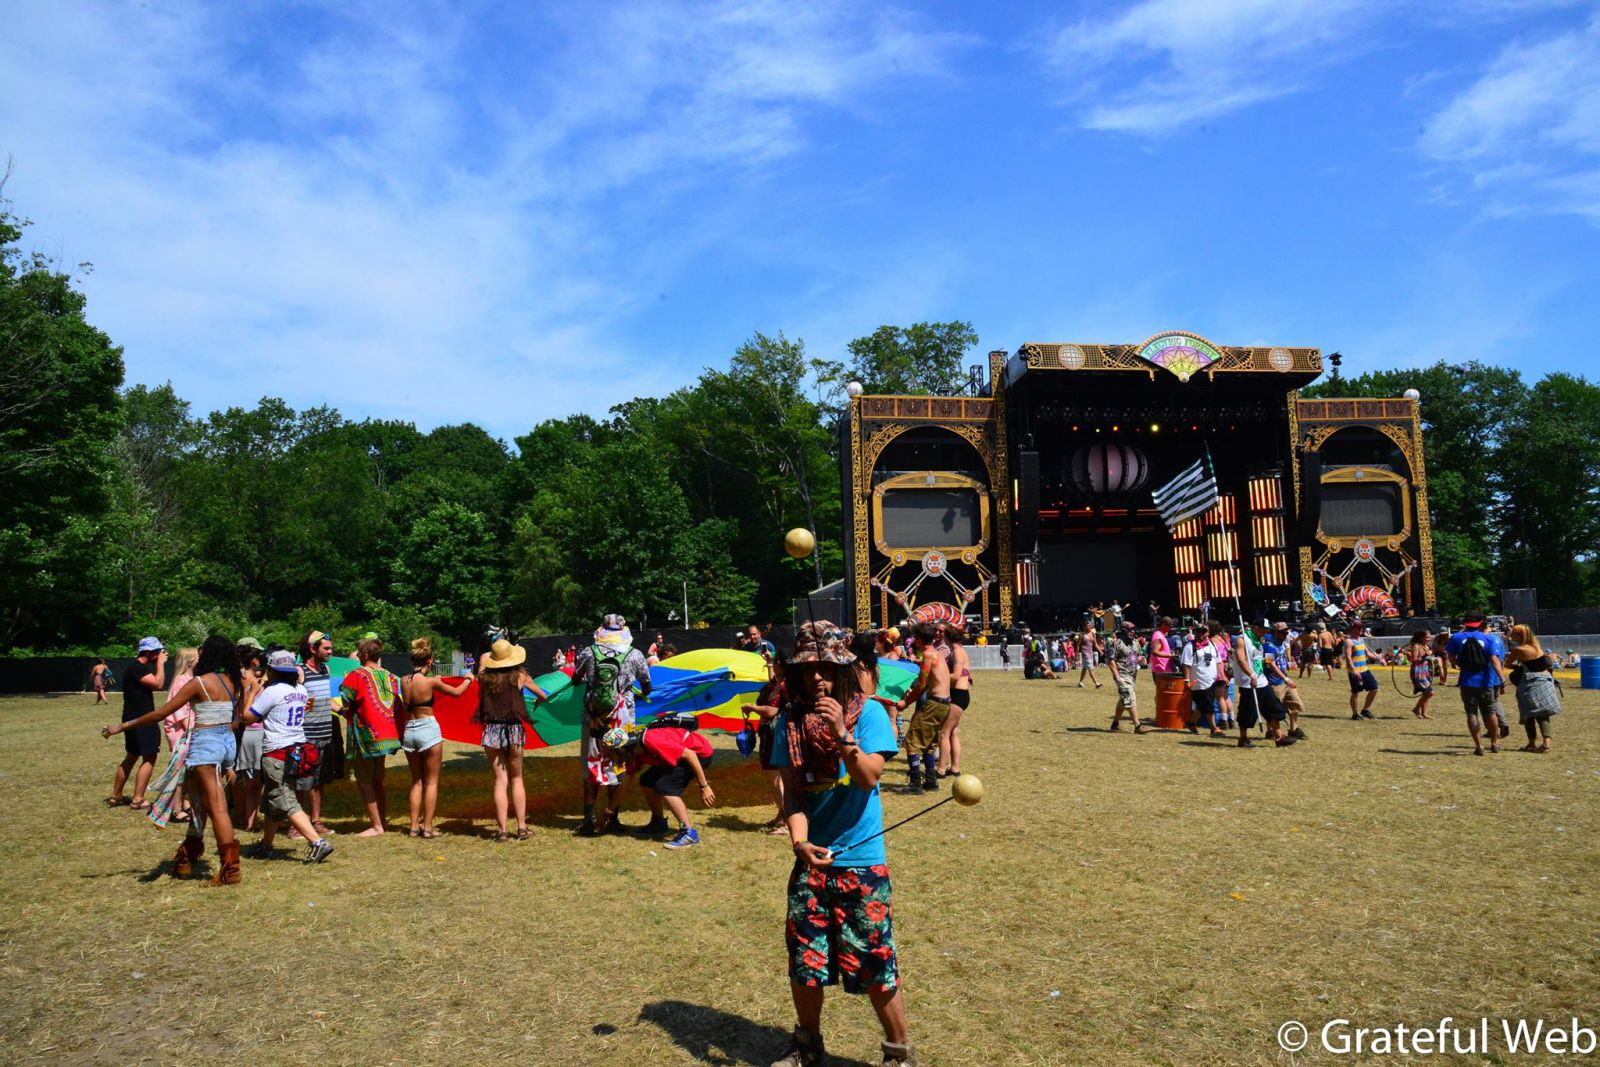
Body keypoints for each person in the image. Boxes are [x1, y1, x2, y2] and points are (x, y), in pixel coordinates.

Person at [769, 622, 916, 1067]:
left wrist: (840, 732)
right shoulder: (789, 724)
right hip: (812, 863)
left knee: (874, 963)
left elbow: (870, 775)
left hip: (861, 864)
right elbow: (793, 792)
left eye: (826, 667)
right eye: (808, 668)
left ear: (843, 669)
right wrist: (800, 842)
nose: (817, 676)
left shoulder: (868, 714)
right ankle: (807, 1047)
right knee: (806, 961)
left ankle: (898, 1053)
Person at [102, 635, 247, 885]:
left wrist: (122, 726)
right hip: (225, 746)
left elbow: (160, 713)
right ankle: (186, 858)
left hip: (206, 747)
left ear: (210, 654)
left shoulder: (199, 683)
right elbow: (235, 720)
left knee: (218, 808)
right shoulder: (232, 681)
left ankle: (230, 870)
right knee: (199, 804)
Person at [237, 650, 336, 864]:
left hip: (276, 753)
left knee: (285, 800)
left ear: (272, 671)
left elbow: (247, 717)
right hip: (296, 751)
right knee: (274, 801)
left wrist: (252, 691)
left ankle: (317, 842)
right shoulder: (300, 689)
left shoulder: (271, 692)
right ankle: (266, 846)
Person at [573, 614, 651, 836]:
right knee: (619, 764)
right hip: (622, 719)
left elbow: (576, 679)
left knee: (592, 764)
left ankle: (588, 821)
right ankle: (612, 818)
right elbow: (647, 685)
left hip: (593, 716)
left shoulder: (589, 652)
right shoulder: (634, 654)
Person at [474, 638, 548, 841]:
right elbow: (543, 696)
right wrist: (538, 703)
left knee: (500, 781)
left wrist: (485, 660)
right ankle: (522, 828)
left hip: (491, 731)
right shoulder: (521, 676)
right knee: (517, 779)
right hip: (514, 730)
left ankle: (502, 831)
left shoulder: (484, 679)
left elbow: (481, 668)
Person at [399, 638, 470, 838]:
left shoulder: (404, 680)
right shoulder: (431, 681)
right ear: (429, 661)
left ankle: (413, 827)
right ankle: (428, 828)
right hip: (427, 728)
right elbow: (457, 693)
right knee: (431, 782)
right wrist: (468, 679)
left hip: (409, 730)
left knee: (416, 782)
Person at [339, 637, 403, 836]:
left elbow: (346, 701)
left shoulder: (357, 675)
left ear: (365, 655)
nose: (357, 656)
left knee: (365, 780)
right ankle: (381, 821)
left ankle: (376, 826)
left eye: (359, 653)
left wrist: (341, 709)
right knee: (377, 779)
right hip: (386, 734)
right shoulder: (391, 676)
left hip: (366, 734)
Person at [620, 718, 715, 848]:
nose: (613, 760)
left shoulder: (650, 741)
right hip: (685, 755)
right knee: (647, 781)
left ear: (621, 749)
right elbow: (624, 785)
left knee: (666, 786)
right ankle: (658, 824)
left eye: (612, 755)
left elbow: (690, 755)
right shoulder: (633, 753)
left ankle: (688, 833)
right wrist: (608, 812)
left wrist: (704, 786)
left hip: (700, 754)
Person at [106, 637, 167, 810]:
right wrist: (161, 664)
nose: (160, 654)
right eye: (157, 652)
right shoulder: (137, 668)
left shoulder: (136, 667)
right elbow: (158, 684)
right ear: (147, 652)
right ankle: (138, 799)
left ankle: (116, 796)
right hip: (142, 719)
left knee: (132, 756)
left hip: (132, 719)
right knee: (149, 756)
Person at [892, 622, 951, 793]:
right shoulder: (936, 653)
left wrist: (905, 702)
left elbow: (922, 685)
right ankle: (931, 780)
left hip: (934, 704)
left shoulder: (928, 655)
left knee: (911, 742)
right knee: (930, 744)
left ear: (918, 639)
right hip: (944, 704)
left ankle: (915, 783)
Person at [296, 629, 342, 837]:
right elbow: (298, 701)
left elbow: (328, 700)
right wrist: (311, 704)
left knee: (319, 780)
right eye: (327, 648)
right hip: (306, 735)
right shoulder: (300, 672)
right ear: (312, 649)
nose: (331, 652)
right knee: (301, 780)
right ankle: (295, 824)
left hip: (325, 733)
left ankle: (315, 821)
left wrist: (343, 710)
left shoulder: (325, 670)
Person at [1447, 610, 1508, 756]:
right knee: (1490, 712)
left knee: (1471, 713)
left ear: (1465, 623)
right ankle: (1495, 743)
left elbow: (1450, 656)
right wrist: (1502, 678)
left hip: (1467, 681)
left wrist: (1455, 664)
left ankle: (1479, 746)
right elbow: (1494, 660)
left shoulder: (1456, 637)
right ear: (1481, 622)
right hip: (1485, 681)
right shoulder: (1489, 639)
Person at [742, 653, 790, 834]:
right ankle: (782, 814)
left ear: (780, 664)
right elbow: (772, 680)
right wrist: (769, 663)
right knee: (775, 777)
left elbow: (771, 710)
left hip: (774, 733)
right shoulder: (780, 680)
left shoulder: (784, 685)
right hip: (770, 733)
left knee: (776, 777)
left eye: (774, 664)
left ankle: (787, 820)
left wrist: (751, 707)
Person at [1236, 620, 1297, 748]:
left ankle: (1279, 737)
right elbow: (1241, 660)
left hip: (1262, 680)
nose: (1266, 631)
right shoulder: (1242, 640)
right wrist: (1251, 675)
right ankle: (1243, 738)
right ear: (1255, 627)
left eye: (1267, 629)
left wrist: (1267, 660)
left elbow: (1259, 658)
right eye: (1263, 628)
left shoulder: (1260, 641)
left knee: (1272, 707)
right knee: (1248, 711)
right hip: (1249, 682)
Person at [1504, 624, 1560, 753]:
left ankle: (1531, 743)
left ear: (1520, 636)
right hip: (1546, 680)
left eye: (1513, 634)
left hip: (1530, 682)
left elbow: (1507, 664)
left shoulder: (1519, 649)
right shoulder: (1537, 645)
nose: (1510, 636)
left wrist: (1518, 669)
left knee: (1528, 713)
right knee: (1543, 713)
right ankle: (1546, 743)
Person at [160, 646, 199, 822]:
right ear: (191, 661)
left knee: (188, 772)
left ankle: (186, 803)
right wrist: (190, 727)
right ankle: (175, 809)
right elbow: (180, 710)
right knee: (179, 772)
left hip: (190, 729)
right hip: (180, 731)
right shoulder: (180, 681)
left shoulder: (191, 679)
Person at [233, 640, 267, 832]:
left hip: (249, 730)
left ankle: (249, 820)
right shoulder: (248, 677)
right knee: (252, 780)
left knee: (251, 780)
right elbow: (247, 709)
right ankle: (248, 819)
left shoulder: (243, 674)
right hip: (252, 730)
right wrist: (256, 690)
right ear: (254, 660)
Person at [936, 622, 972, 777]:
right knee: (953, 732)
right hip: (959, 694)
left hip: (958, 695)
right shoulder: (957, 651)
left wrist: (937, 675)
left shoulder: (957, 652)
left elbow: (956, 676)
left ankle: (941, 769)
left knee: (944, 732)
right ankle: (955, 768)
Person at [1264, 622, 1307, 740]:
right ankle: (1270, 731)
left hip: (1285, 680)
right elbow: (1270, 663)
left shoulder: (1283, 644)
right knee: (1272, 708)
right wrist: (1285, 678)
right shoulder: (1269, 646)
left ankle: (1293, 729)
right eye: (1282, 633)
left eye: (1286, 633)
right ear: (1275, 632)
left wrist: (1291, 664)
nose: (1285, 635)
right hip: (1274, 682)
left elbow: (1285, 657)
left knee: (1295, 704)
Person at [1108, 621, 1150, 733]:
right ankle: (1138, 726)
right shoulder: (1116, 643)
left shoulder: (1135, 642)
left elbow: (1138, 656)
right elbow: (1111, 660)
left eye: (1132, 629)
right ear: (1123, 630)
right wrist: (1117, 677)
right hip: (1122, 675)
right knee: (1130, 698)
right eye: (1129, 629)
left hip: (1132, 676)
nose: (1132, 632)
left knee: (1123, 700)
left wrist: (1141, 659)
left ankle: (1115, 724)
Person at [1182, 622, 1222, 737]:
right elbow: (1186, 665)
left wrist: (1222, 676)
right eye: (1198, 632)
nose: (1200, 635)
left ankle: (1191, 722)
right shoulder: (1190, 646)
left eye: (1203, 632)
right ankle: (1214, 729)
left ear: (1208, 633)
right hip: (1198, 681)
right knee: (1208, 705)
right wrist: (1187, 680)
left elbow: (1218, 661)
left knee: (1203, 705)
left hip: (1211, 680)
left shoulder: (1212, 645)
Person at [1341, 621, 1380, 720]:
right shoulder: (1349, 641)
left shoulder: (1361, 640)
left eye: (1361, 628)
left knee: (1374, 688)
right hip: (1355, 671)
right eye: (1359, 628)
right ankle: (1355, 714)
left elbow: (1367, 653)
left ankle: (1365, 710)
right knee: (1356, 692)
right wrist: (1354, 670)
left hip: (1365, 669)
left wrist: (1378, 658)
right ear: (1353, 629)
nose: (1361, 630)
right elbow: (1348, 658)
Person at [1405, 629, 1435, 720]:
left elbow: (1428, 659)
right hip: (1418, 672)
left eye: (1430, 637)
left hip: (1426, 671)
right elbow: (1414, 660)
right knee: (1430, 692)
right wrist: (1425, 656)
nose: (1429, 639)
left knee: (1425, 693)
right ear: (1421, 637)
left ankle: (1424, 713)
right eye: (1427, 637)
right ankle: (1416, 709)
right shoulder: (1416, 646)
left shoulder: (1426, 646)